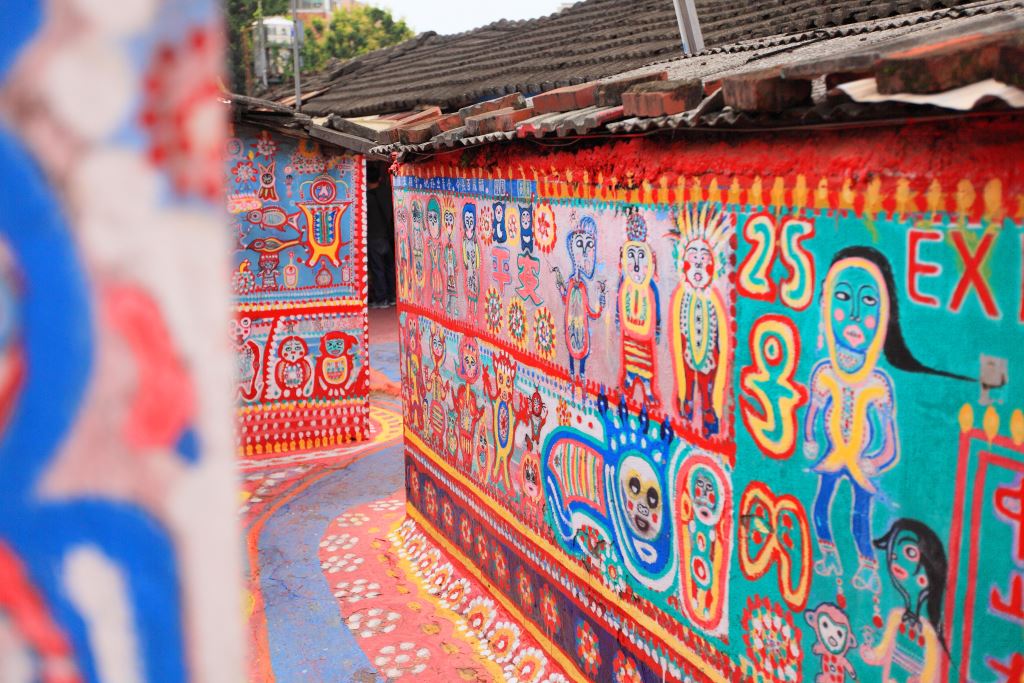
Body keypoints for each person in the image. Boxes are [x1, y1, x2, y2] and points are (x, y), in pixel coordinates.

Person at [366, 164, 395, 308]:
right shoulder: (387, 194)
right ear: (379, 178)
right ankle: (392, 296)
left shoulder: (366, 198)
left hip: (373, 237)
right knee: (389, 268)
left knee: (378, 269)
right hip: (387, 236)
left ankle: (381, 299)